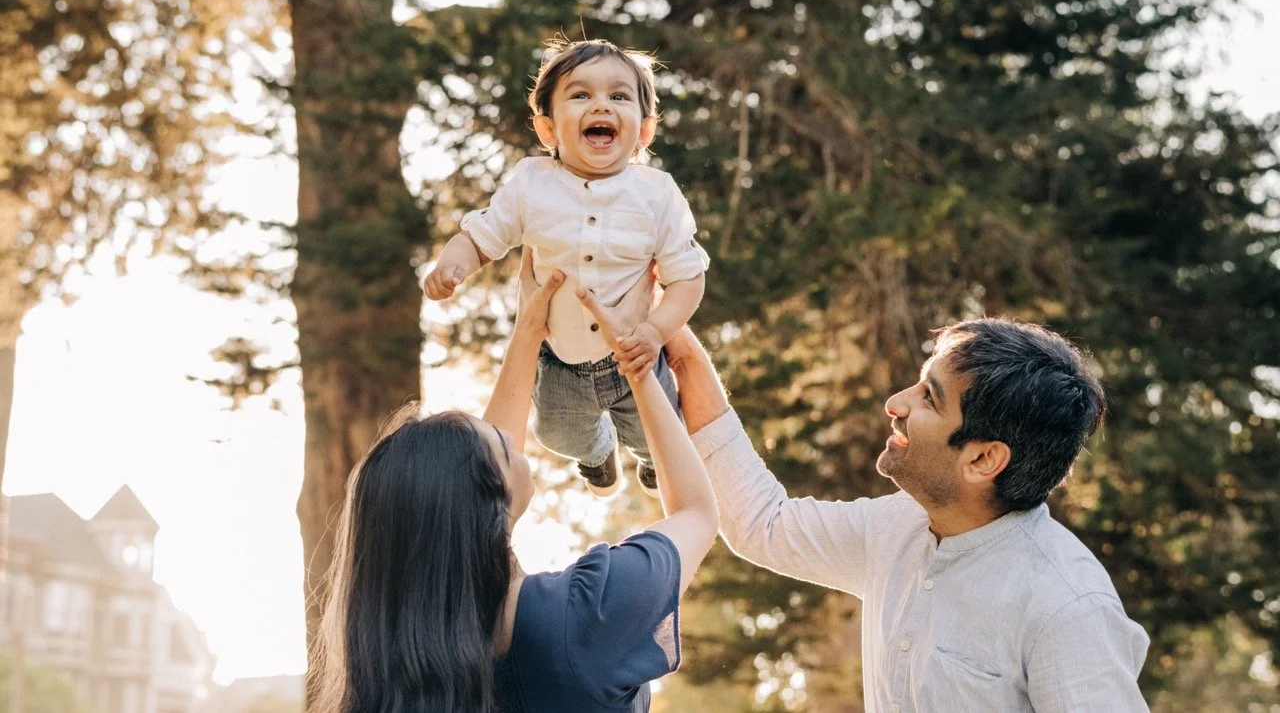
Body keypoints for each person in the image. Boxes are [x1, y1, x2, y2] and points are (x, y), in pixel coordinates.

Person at [662, 318, 1150, 712]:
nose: (895, 404)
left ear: (983, 460)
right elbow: (763, 525)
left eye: (929, 398)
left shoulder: (1068, 607)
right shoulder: (895, 526)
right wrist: (682, 356)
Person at [312, 250, 719, 713]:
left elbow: (482, 481)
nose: (504, 434)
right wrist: (635, 363)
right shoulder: (589, 616)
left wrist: (531, 330)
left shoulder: (407, 677)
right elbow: (696, 514)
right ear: (486, 495)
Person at [422, 38, 709, 498]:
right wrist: (451, 266)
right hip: (560, 363)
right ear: (548, 129)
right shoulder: (531, 184)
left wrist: (655, 331)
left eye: (619, 96)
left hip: (633, 355)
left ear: (646, 129)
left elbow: (687, 278)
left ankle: (653, 464)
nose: (602, 105)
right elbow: (480, 237)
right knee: (557, 434)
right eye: (581, 95)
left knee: (657, 429)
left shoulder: (657, 194)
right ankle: (597, 457)